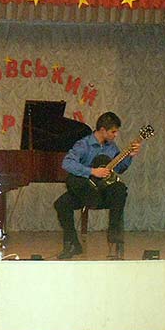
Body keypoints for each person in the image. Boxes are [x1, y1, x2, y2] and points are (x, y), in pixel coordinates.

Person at [54, 111, 141, 260]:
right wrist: (92, 171)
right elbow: (67, 163)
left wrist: (129, 157)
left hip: (103, 193)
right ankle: (73, 244)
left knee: (120, 188)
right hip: (85, 191)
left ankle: (114, 235)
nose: (116, 135)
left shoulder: (112, 147)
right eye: (113, 132)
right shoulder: (83, 145)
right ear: (102, 130)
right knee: (62, 202)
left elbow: (119, 169)